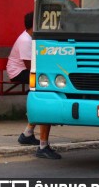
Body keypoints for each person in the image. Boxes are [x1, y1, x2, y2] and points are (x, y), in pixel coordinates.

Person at [7, 12, 61, 159]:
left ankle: (27, 134)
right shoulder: (26, 40)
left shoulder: (32, 38)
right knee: (46, 91)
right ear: (35, 24)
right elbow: (30, 66)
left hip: (28, 70)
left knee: (46, 89)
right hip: (18, 72)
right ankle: (43, 146)